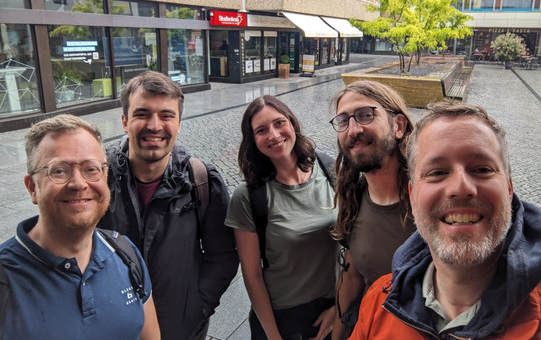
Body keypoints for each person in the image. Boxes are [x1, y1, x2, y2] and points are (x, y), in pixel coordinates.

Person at [350, 101, 541, 339]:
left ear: (510, 189)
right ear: (412, 195)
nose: (461, 187)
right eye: (437, 172)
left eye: (482, 169)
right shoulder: (377, 303)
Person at [98, 71, 238, 340]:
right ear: (125, 121)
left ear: (179, 123)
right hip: (111, 329)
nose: (154, 125)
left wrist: (198, 307)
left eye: (166, 115)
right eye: (142, 114)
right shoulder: (98, 180)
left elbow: (222, 254)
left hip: (181, 329)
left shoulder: (201, 181)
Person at [0, 114, 160, 339]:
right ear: (32, 188)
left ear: (105, 177)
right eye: (59, 170)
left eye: (91, 169)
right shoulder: (5, 278)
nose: (78, 183)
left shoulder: (126, 254)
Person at [225, 95, 338, 340]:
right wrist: (274, 336)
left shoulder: (331, 171)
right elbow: (252, 275)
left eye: (279, 123)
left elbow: (353, 247)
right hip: (282, 317)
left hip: (331, 308)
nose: (274, 135)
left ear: (292, 124)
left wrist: (340, 308)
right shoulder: (247, 197)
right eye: (261, 130)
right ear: (252, 140)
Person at [329, 80, 416, 340]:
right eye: (343, 121)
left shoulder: (428, 200)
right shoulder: (353, 198)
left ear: (398, 126)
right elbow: (353, 276)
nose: (353, 129)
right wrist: (338, 331)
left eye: (365, 115)